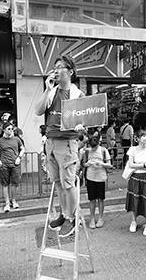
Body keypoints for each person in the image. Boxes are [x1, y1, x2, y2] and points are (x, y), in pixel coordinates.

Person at [35, 55, 85, 238]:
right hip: (51, 142)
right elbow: (38, 110)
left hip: (67, 143)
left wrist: (81, 126)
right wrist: (47, 90)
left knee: (68, 183)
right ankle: (64, 214)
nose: (55, 70)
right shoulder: (52, 91)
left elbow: (85, 121)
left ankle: (73, 218)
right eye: (54, 67)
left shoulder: (77, 95)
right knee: (57, 182)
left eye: (59, 67)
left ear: (70, 71)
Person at [125, 129, 146, 236]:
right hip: (135, 177)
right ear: (137, 139)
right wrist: (144, 165)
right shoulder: (132, 149)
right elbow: (131, 164)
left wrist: (137, 164)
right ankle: (133, 221)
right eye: (143, 136)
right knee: (135, 199)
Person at [81, 135, 113, 229]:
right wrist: (87, 164)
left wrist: (101, 164)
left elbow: (109, 165)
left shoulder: (103, 151)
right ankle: (91, 219)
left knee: (101, 199)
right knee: (92, 199)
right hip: (90, 177)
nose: (93, 149)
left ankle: (100, 218)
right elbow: (83, 163)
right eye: (92, 147)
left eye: (95, 147)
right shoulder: (87, 151)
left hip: (101, 177)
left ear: (99, 143)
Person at [0, 122, 25, 212]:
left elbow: (22, 148)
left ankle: (13, 200)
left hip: (15, 164)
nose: (11, 131)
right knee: (5, 184)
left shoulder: (17, 139)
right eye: (8, 129)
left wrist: (19, 157)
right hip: (4, 165)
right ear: (4, 130)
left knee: (15, 183)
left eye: (12, 129)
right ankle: (7, 203)